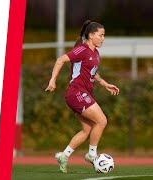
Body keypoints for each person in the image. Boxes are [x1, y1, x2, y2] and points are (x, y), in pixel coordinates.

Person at [45, 20, 120, 173]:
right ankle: (92, 155)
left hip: (78, 94)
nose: (103, 38)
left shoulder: (95, 53)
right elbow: (60, 60)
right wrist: (53, 80)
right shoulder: (82, 50)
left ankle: (64, 155)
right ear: (91, 35)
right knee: (102, 120)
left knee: (88, 129)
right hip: (77, 93)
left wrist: (105, 84)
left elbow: (92, 72)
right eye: (101, 35)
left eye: (104, 35)